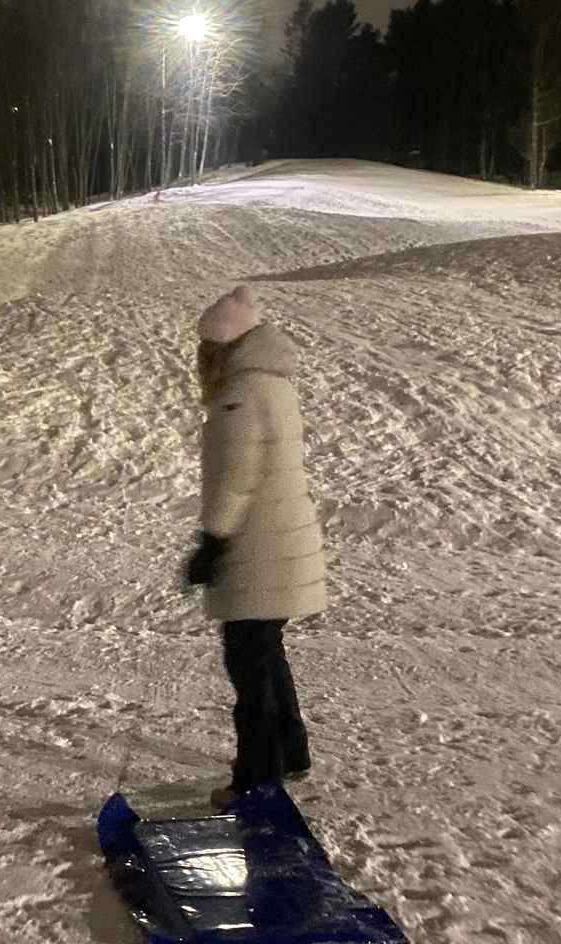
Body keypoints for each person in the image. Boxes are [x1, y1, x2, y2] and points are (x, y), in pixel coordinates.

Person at [183, 286, 327, 797]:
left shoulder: (240, 394)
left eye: (205, 348)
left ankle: (258, 777)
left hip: (257, 548)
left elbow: (235, 477)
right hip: (279, 542)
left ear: (221, 347)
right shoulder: (273, 384)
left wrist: (213, 542)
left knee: (248, 664)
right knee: (264, 652)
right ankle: (290, 752)